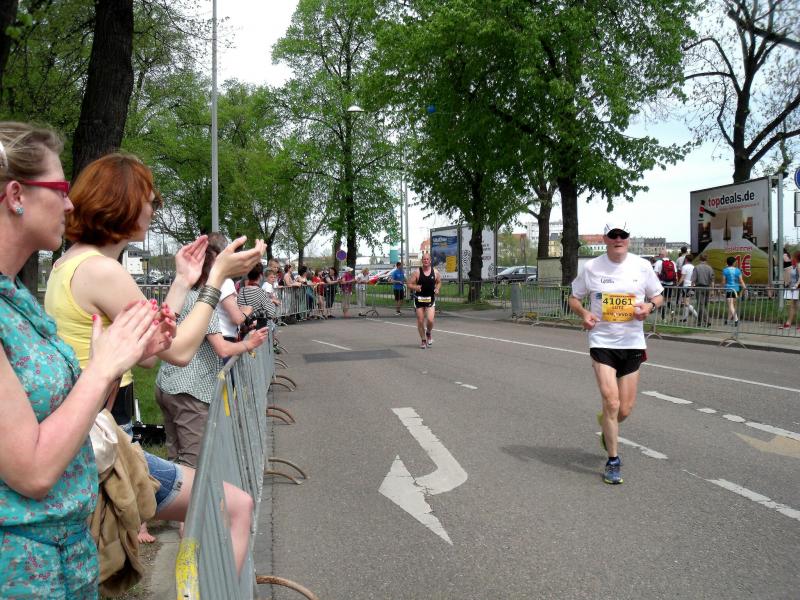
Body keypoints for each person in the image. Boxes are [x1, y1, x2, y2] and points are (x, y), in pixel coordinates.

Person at [46, 152, 262, 571]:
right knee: (236, 507)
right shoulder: (101, 271)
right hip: (92, 444)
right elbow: (178, 352)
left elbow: (147, 352)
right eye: (150, 199)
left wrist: (182, 282)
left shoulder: (72, 262)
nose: (154, 208)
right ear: (123, 203)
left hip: (94, 438)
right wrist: (215, 280)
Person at [0, 122, 166, 597]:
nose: (70, 205)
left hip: (66, 552)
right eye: (60, 189)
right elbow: (32, 471)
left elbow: (74, 418)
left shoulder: (16, 299)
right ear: (16, 196)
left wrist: (107, 370)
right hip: (22, 567)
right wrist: (103, 369)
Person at [568, 221, 663, 485]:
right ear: (606, 239)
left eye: (623, 235)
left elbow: (658, 296)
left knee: (625, 409)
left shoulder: (642, 266)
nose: (618, 239)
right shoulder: (592, 267)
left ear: (628, 239)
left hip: (632, 343)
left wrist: (649, 307)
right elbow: (573, 298)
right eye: (613, 235)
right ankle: (613, 461)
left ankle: (606, 424)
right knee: (611, 402)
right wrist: (584, 313)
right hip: (602, 341)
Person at [157, 246, 268, 468]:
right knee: (194, 463)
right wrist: (249, 344)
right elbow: (222, 348)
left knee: (174, 457)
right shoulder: (202, 304)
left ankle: (173, 488)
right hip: (190, 391)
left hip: (166, 384)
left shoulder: (181, 296)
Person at [407, 253, 441, 349]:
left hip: (430, 299)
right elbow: (409, 284)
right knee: (420, 320)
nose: (426, 261)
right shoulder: (417, 272)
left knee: (430, 320)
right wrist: (415, 287)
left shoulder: (435, 272)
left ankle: (428, 333)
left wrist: (437, 289)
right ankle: (423, 340)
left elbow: (439, 282)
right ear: (422, 261)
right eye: (424, 259)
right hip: (419, 299)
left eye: (427, 259)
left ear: (430, 261)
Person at [721, 255, 746, 326]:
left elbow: (723, 281)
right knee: (732, 306)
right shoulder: (738, 270)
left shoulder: (725, 270)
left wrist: (721, 288)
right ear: (734, 262)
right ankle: (727, 320)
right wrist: (744, 287)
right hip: (736, 289)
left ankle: (736, 320)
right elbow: (741, 280)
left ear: (727, 263)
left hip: (729, 289)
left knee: (730, 305)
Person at [691, 253, 715, 327]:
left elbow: (693, 280)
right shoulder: (710, 268)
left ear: (699, 259)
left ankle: (707, 320)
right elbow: (712, 280)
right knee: (704, 305)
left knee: (701, 305)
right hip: (707, 288)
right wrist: (712, 290)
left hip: (699, 288)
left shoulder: (696, 267)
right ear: (706, 259)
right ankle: (699, 321)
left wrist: (691, 289)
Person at [653, 249, 677, 319]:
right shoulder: (672, 262)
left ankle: (663, 318)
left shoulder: (658, 262)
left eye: (659, 254)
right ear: (666, 254)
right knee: (668, 301)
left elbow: (655, 274)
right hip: (670, 284)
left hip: (661, 284)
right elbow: (675, 275)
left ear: (661, 255)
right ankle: (673, 314)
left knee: (661, 301)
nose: (659, 255)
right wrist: (675, 283)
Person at [780, 251, 800, 330]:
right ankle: (788, 323)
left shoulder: (798, 265)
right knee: (791, 306)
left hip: (795, 289)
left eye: (794, 256)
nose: (792, 258)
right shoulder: (794, 265)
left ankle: (789, 323)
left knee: (794, 306)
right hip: (792, 288)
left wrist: (796, 285)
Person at [677, 253, 698, 322]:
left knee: (686, 303)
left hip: (686, 286)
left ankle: (697, 316)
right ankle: (685, 317)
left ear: (686, 259)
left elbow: (682, 277)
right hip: (693, 285)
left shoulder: (684, 267)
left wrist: (678, 284)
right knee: (687, 302)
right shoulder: (694, 267)